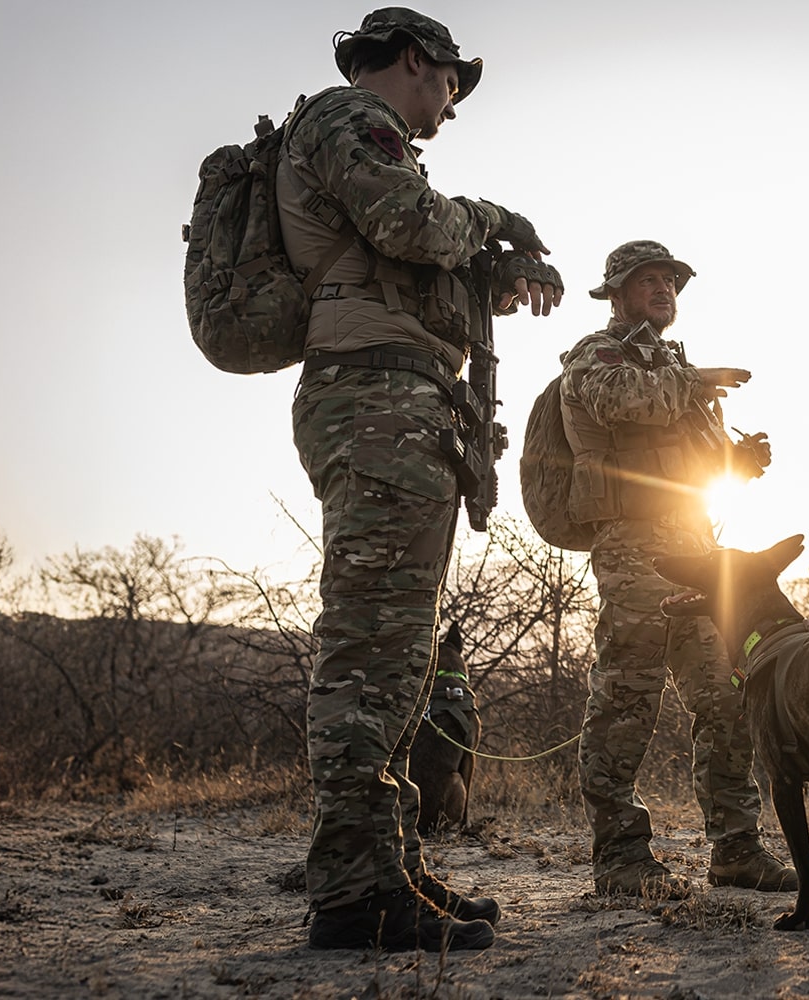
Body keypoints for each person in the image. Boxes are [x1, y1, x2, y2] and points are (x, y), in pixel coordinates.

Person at [281, 7, 563, 951]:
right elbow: (411, 223)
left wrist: (494, 273)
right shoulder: (346, 119)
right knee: (368, 656)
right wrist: (488, 217)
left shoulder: (376, 140)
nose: (451, 102)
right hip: (376, 410)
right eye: (449, 80)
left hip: (403, 411)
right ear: (414, 62)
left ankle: (390, 864)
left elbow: (404, 256)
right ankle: (354, 894)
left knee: (401, 661)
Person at [559, 240, 793, 898]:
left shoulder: (675, 372)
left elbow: (689, 465)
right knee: (628, 697)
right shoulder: (596, 354)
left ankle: (736, 849)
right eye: (649, 280)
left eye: (671, 280)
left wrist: (737, 463)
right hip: (633, 546)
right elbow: (623, 400)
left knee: (724, 695)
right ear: (616, 293)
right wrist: (694, 382)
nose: (665, 289)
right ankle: (621, 858)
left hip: (695, 546)